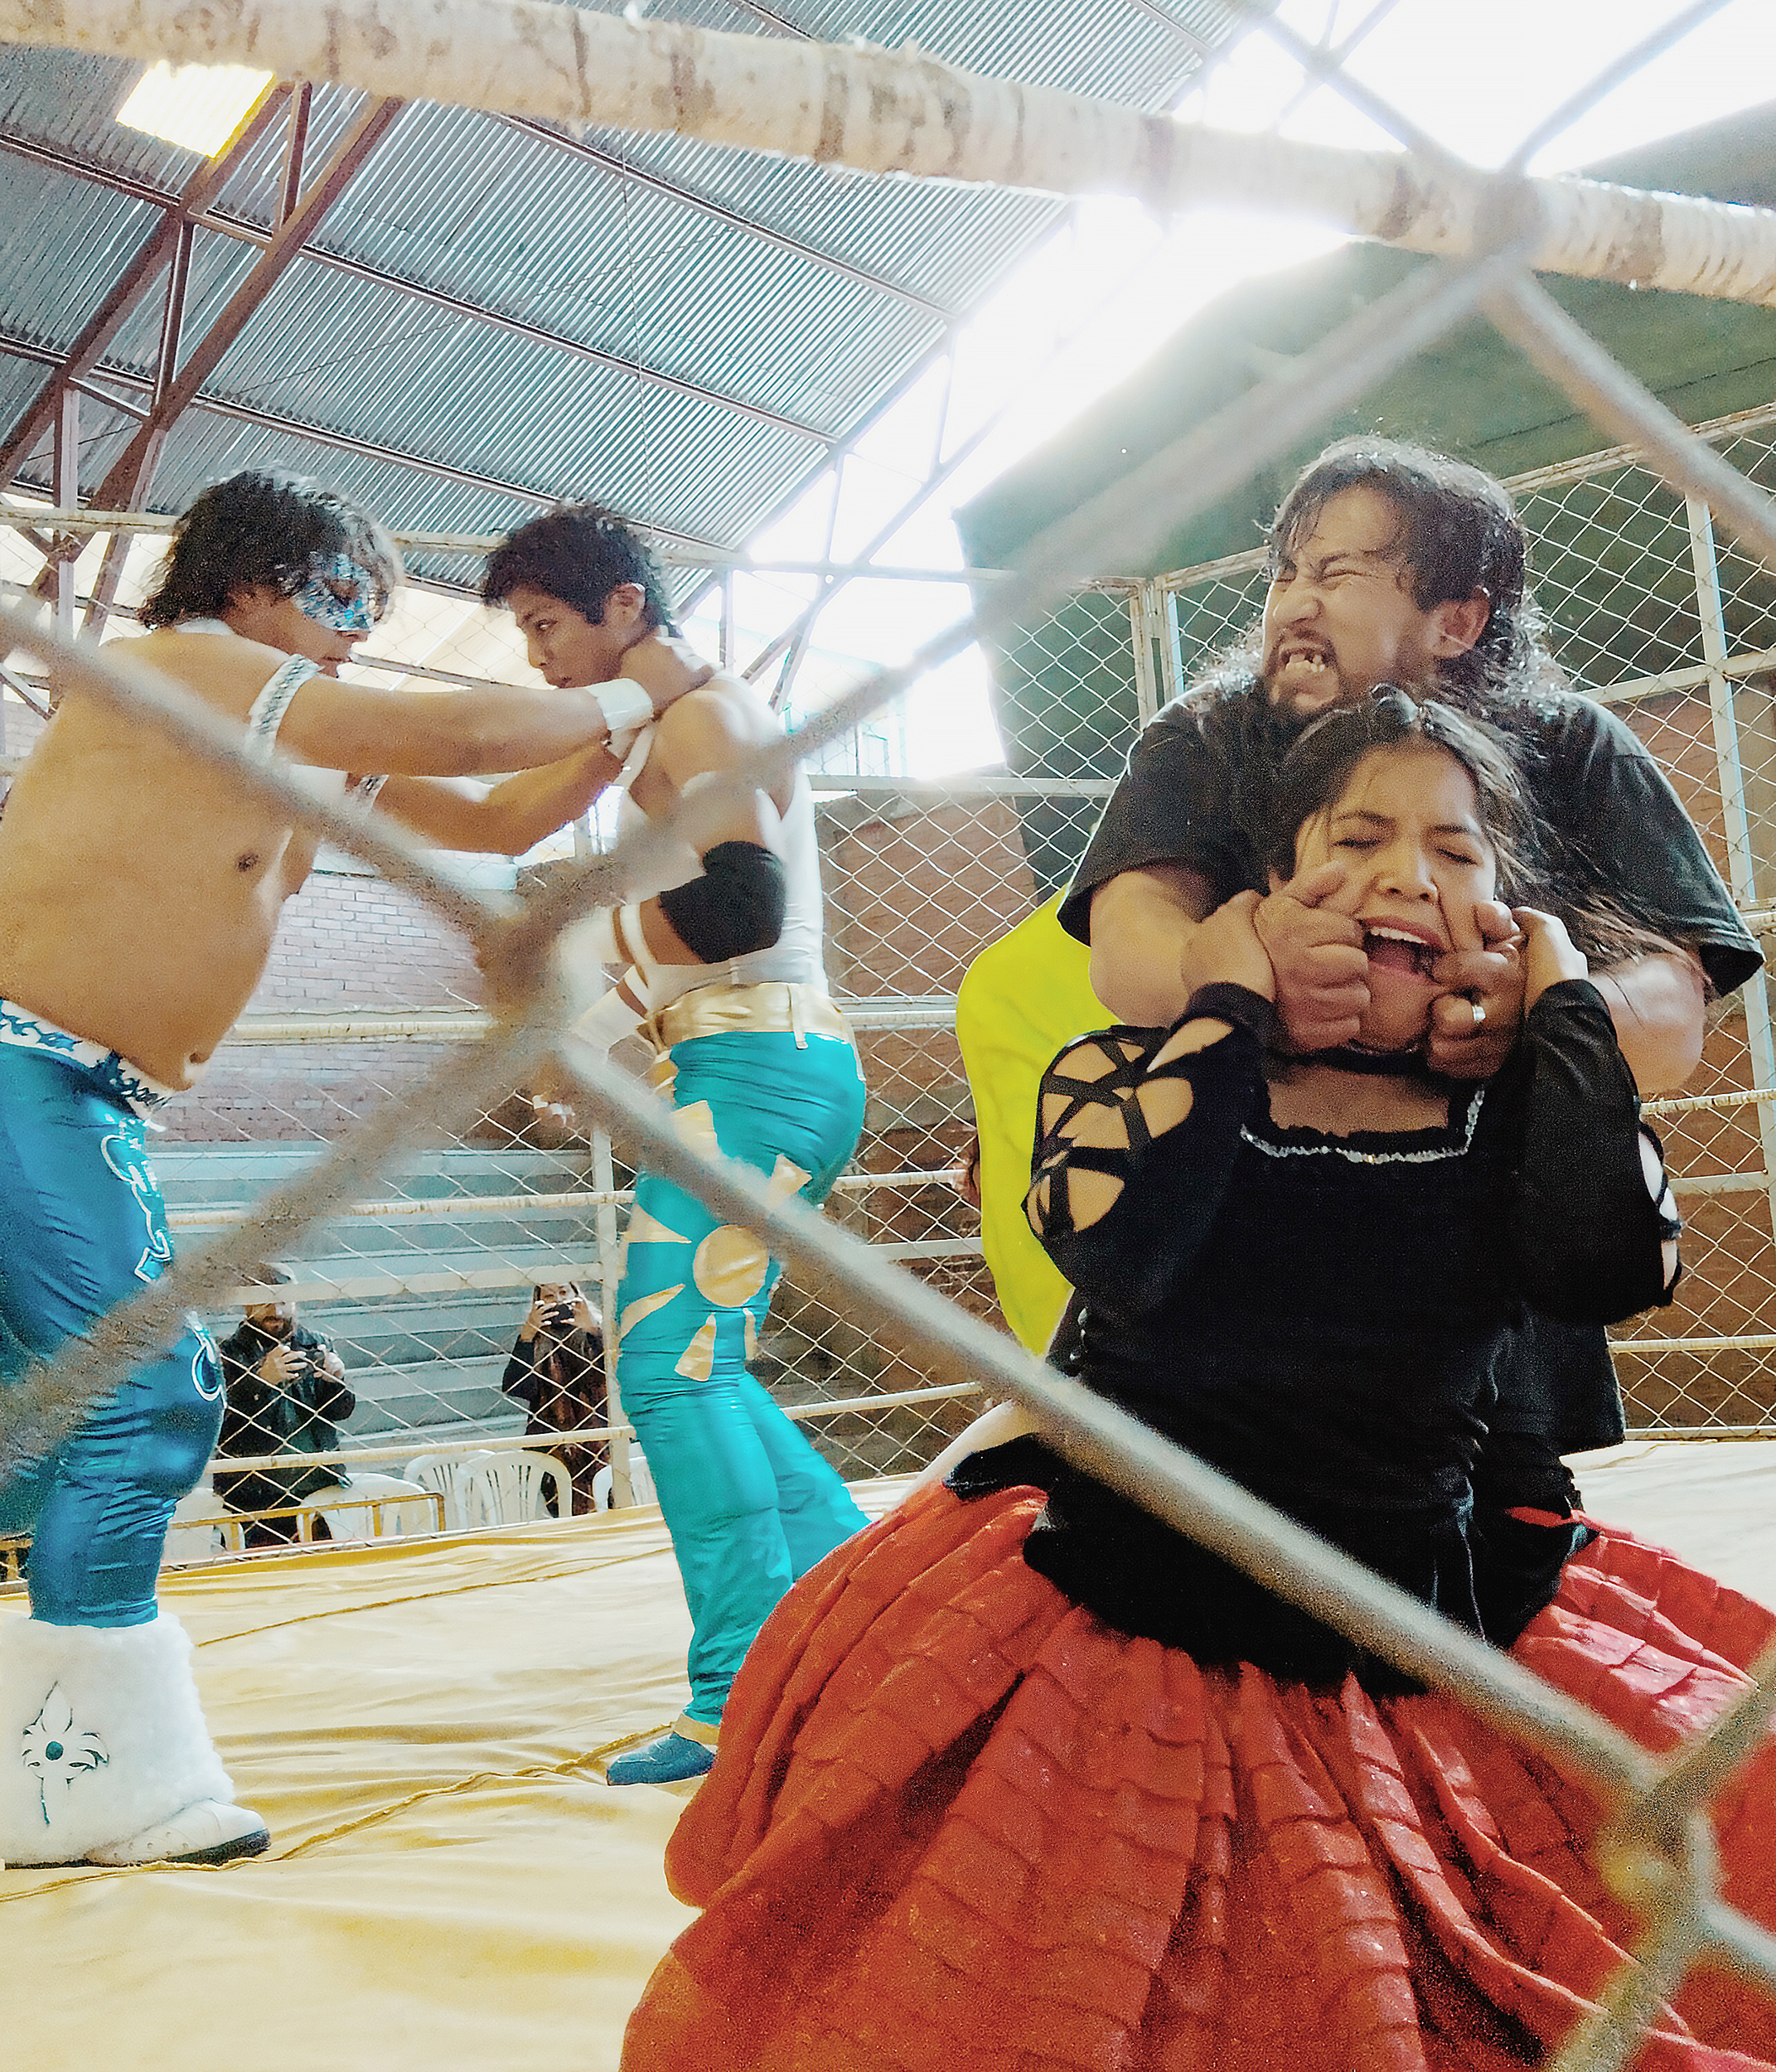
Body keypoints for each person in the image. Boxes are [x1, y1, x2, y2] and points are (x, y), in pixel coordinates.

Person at [621, 693, 1776, 2072]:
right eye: (1355, 838)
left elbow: (1604, 1264)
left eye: (1457, 855)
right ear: (1269, 888)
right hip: (1128, 1620)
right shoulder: (1124, 1073)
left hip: (1404, 1631)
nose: (1407, 872)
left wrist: (1563, 1004)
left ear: (1499, 919)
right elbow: (1127, 1248)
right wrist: (1226, 1002)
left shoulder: (1509, 1107)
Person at [0, 468, 704, 1871]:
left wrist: (649, 733)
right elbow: (463, 715)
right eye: (335, 600)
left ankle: (57, 1750)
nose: (353, 632)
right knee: (144, 1404)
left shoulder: (304, 738)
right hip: (19, 1065)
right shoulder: (183, 664)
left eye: (372, 614)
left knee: (56, 1439)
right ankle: (89, 1776)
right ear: (249, 580)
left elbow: (499, 817)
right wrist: (636, 688)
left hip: (79, 1094)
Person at [1062, 435, 1761, 1506]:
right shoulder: (1205, 734)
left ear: (1455, 618)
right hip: (1218, 1264)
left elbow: (1669, 1018)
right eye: (1284, 573)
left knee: (1479, 1593)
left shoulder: (1571, 745)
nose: (1291, 602)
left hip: (1475, 1294)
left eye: (1334, 574)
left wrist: (1537, 1009)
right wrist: (1253, 978)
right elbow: (1128, 946)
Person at [482, 505, 869, 1786]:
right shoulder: (669, 720)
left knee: (665, 1373)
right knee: (700, 1365)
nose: (537, 657)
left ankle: (740, 1698)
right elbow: (498, 820)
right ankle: (860, 1623)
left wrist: (589, 971)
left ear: (624, 607)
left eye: (546, 626)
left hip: (753, 1065)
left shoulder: (699, 716)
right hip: (748, 1062)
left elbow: (740, 899)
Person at [213, 1266, 355, 1548]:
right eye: (265, 1301)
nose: (276, 1311)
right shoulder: (225, 1354)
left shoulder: (317, 1342)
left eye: (283, 1301)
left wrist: (335, 1382)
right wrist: (259, 1380)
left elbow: (341, 1412)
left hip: (318, 1488)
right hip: (254, 1494)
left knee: (325, 1573)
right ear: (247, 1304)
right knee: (260, 1577)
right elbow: (218, 1423)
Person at [501, 1282, 607, 1513]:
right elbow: (516, 1387)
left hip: (600, 1438)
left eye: (563, 1292)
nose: (558, 1301)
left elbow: (612, 1374)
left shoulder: (596, 1331)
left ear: (577, 1295)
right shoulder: (535, 1340)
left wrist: (592, 1331)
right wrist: (526, 1337)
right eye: (549, 1296)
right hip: (553, 1443)